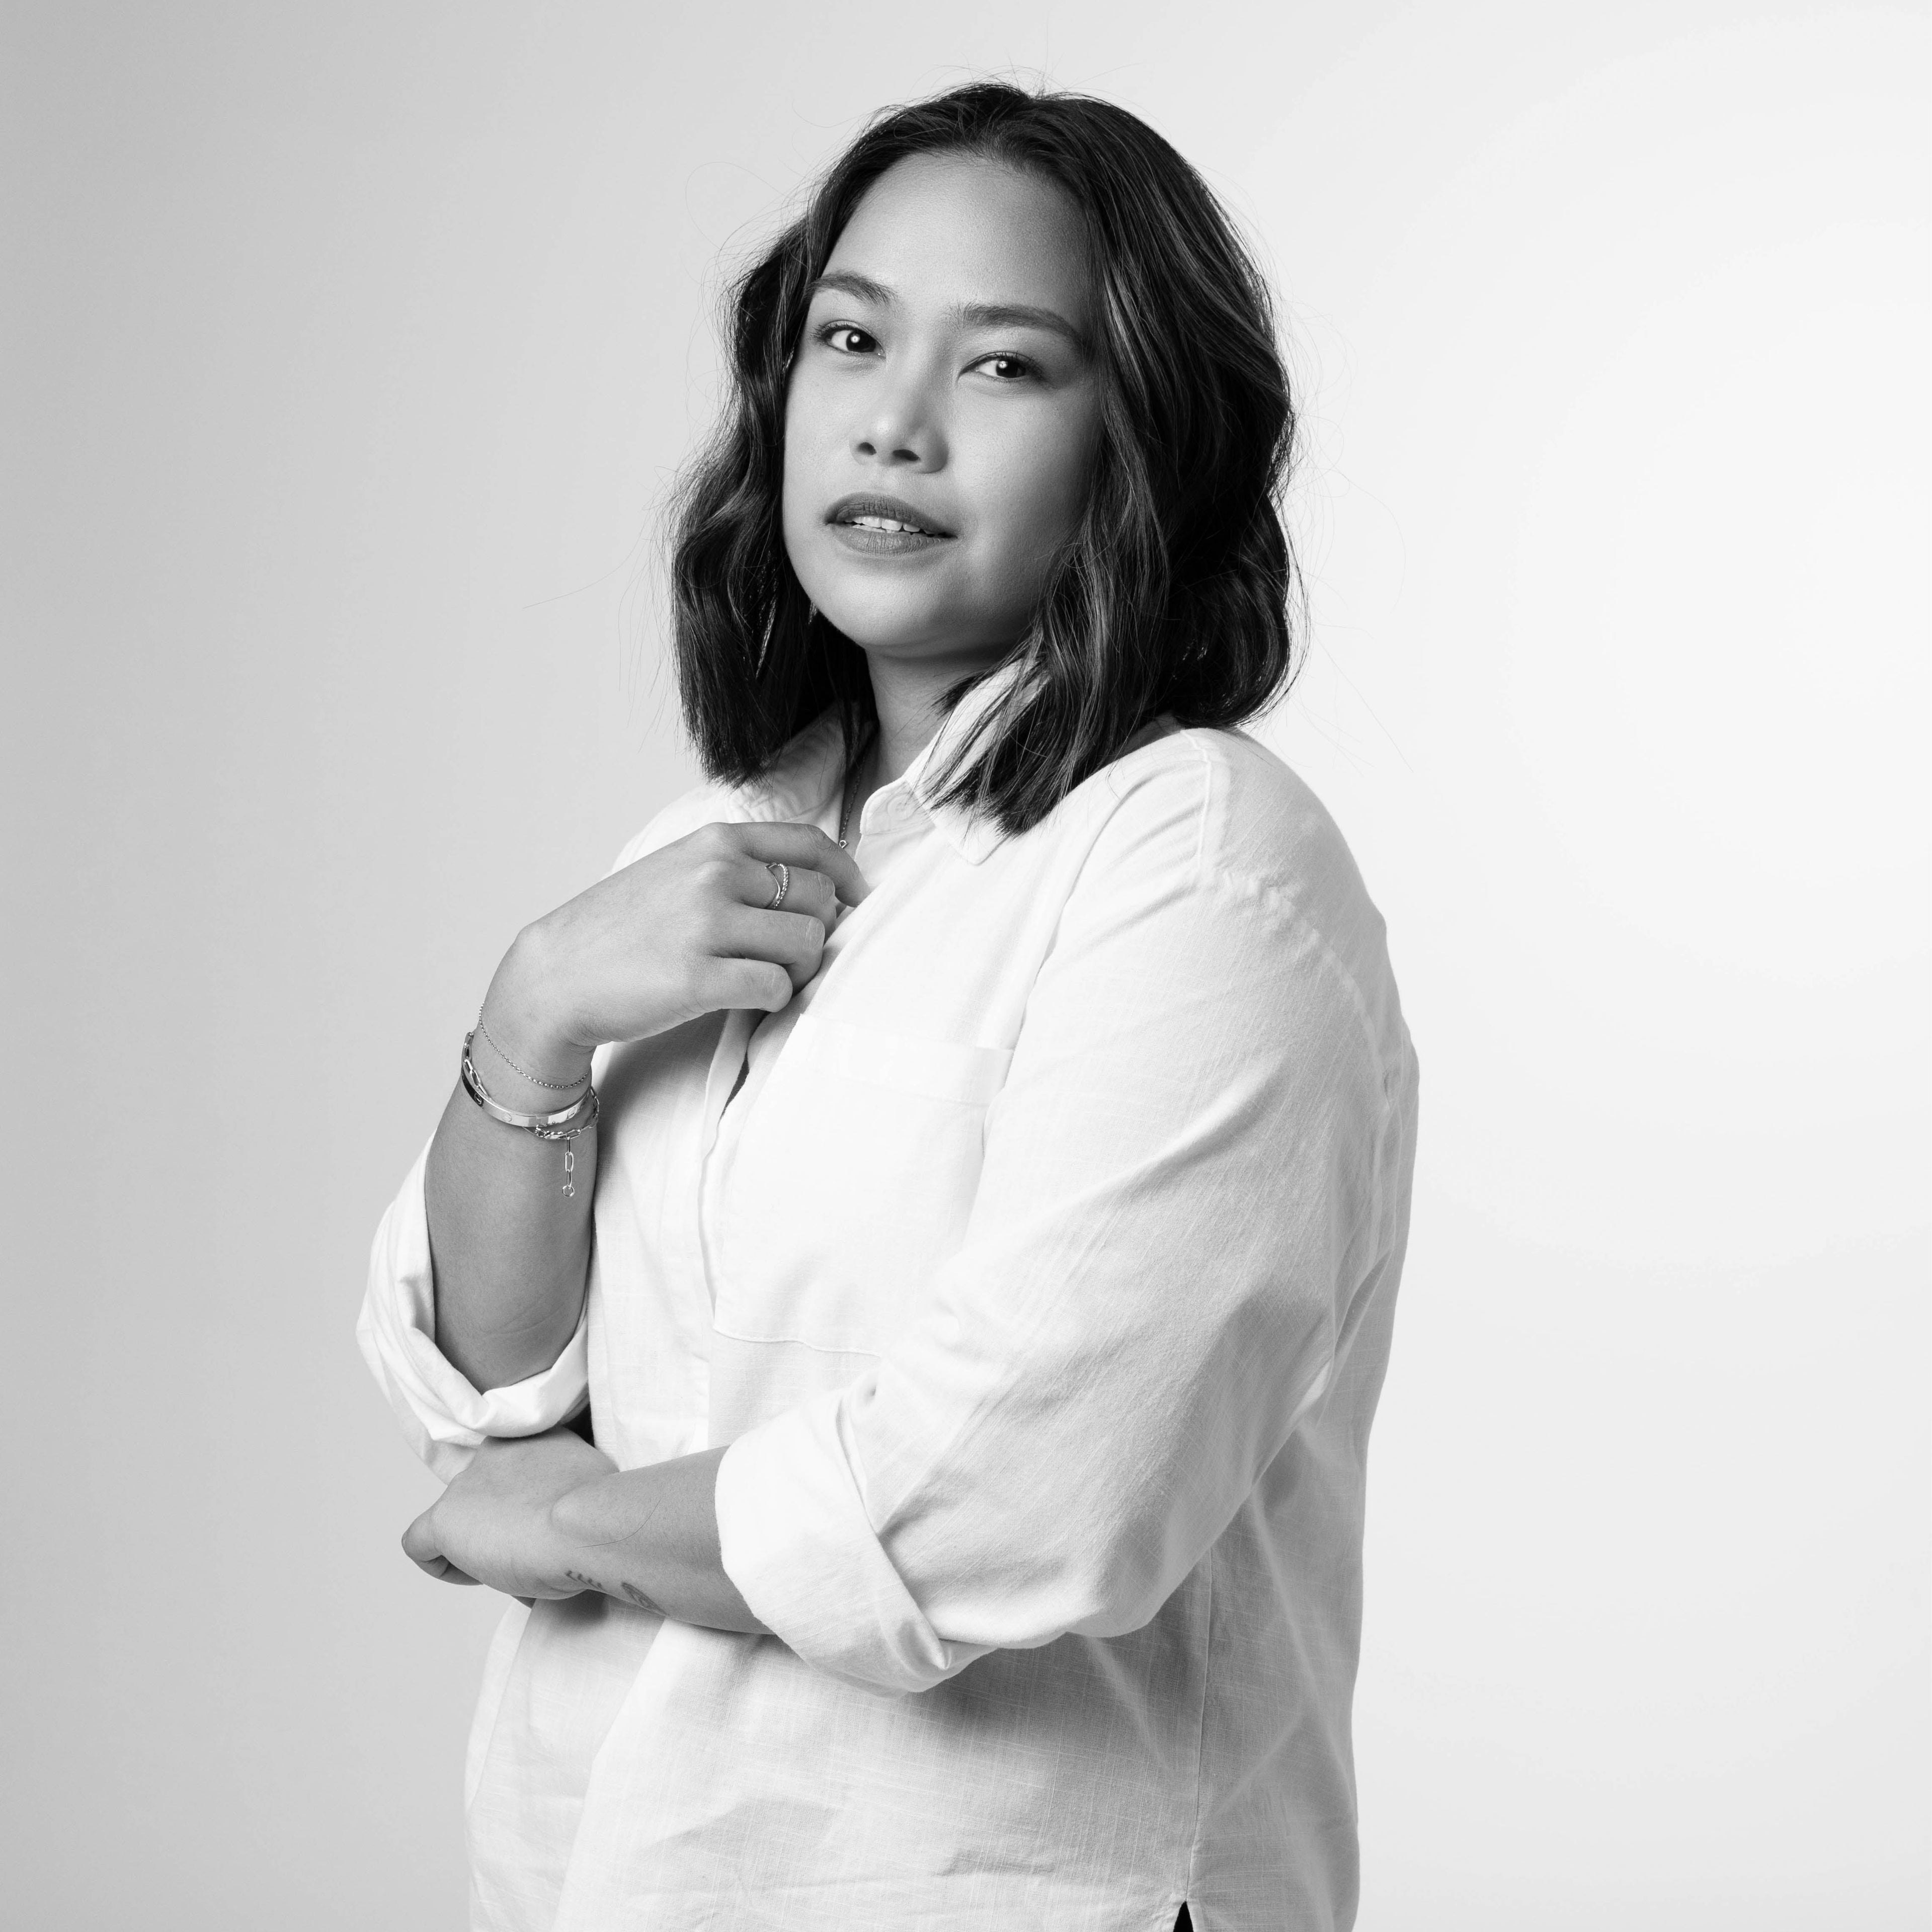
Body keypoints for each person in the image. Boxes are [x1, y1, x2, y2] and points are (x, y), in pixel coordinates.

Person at [359, 79, 1418, 1932]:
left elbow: (1019, 1494)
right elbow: (495, 1393)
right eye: (851, 338)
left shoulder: (1198, 864)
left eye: (1005, 366)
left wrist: (572, 1527)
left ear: (1142, 440)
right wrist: (531, 1019)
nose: (895, 423)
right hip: (606, 1877)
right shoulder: (704, 849)